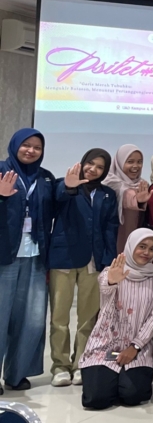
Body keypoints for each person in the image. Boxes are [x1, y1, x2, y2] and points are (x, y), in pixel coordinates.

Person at [48, 149, 118, 387]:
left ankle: (81, 363)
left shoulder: (107, 194)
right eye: (90, 163)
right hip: (64, 258)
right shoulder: (65, 184)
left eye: (100, 167)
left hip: (93, 260)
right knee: (59, 317)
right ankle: (60, 366)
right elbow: (57, 200)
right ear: (82, 162)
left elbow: (110, 228)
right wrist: (68, 187)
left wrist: (108, 260)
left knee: (87, 318)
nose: (93, 169)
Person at [79, 228, 153, 409]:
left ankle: (121, 380)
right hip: (105, 344)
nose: (146, 252)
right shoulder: (113, 271)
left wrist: (135, 346)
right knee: (96, 399)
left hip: (139, 347)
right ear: (131, 246)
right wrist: (112, 281)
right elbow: (105, 291)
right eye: (142, 246)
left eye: (152, 249)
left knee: (133, 395)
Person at [0, 128, 55, 392]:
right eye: (26, 145)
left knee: (32, 319)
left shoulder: (45, 178)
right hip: (4, 256)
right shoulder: (1, 171)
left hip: (35, 256)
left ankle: (17, 373)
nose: (31, 151)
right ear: (15, 145)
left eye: (37, 147)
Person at [103, 144, 151, 253]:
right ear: (119, 162)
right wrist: (136, 200)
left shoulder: (142, 184)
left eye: (139, 162)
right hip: (114, 233)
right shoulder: (110, 183)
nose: (136, 166)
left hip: (135, 232)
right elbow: (126, 197)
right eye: (130, 162)